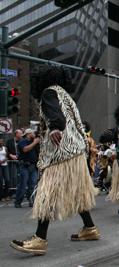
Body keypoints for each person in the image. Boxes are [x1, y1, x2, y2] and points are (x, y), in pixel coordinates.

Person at [10, 65, 99, 255]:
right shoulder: (65, 95)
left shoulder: (49, 92)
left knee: (46, 194)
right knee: (78, 194)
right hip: (76, 153)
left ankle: (39, 239)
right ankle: (90, 228)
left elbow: (55, 114)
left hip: (61, 155)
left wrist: (55, 127)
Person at [14, 129, 40, 208]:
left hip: (33, 165)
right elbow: (25, 149)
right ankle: (18, 201)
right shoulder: (23, 142)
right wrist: (34, 142)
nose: (34, 135)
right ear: (28, 134)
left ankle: (32, 201)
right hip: (24, 166)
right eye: (32, 133)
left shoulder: (35, 143)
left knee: (33, 184)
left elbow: (38, 152)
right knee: (23, 184)